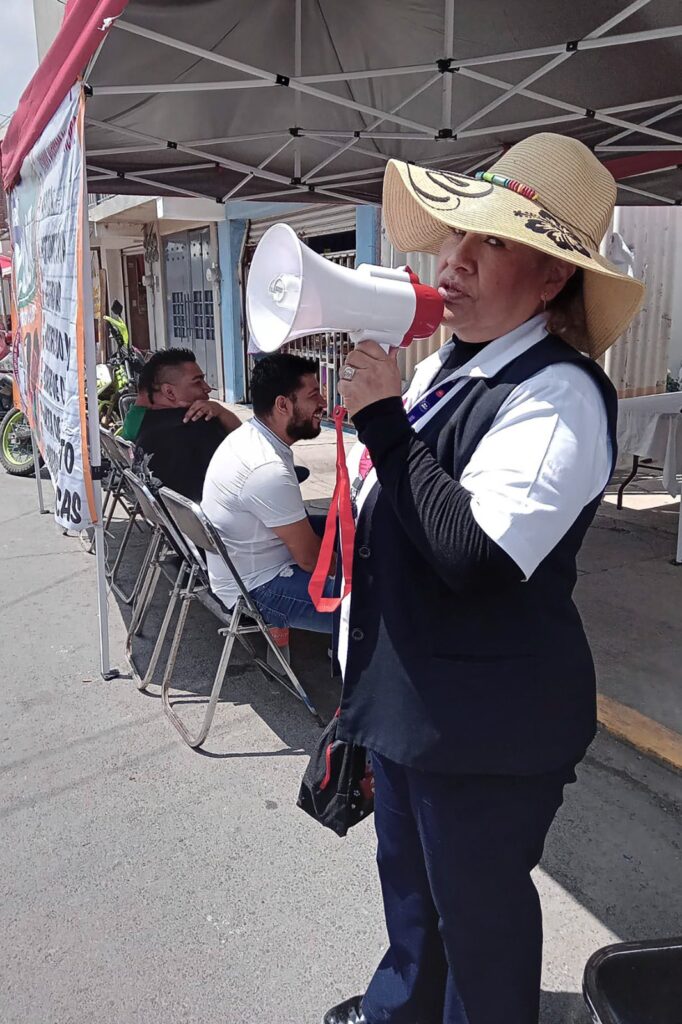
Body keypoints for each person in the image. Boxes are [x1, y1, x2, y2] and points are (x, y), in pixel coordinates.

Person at [323, 134, 645, 1024]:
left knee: (480, 921)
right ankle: (403, 1011)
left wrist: (384, 419)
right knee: (415, 895)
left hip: (483, 725)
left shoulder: (561, 395)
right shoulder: (452, 367)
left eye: (492, 243)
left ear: (551, 282)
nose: (453, 262)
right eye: (456, 235)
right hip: (415, 703)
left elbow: (478, 557)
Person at [202, 352, 333, 633]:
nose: (323, 403)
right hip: (258, 588)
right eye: (313, 396)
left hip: (248, 565)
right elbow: (310, 559)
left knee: (358, 531)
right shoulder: (266, 468)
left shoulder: (250, 436)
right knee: (379, 604)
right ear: (283, 404)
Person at [129, 348, 241, 501]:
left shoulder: (146, 421)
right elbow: (250, 457)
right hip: (204, 520)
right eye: (197, 382)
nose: (207, 388)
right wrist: (223, 414)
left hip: (166, 520)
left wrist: (221, 412)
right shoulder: (199, 424)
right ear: (169, 392)